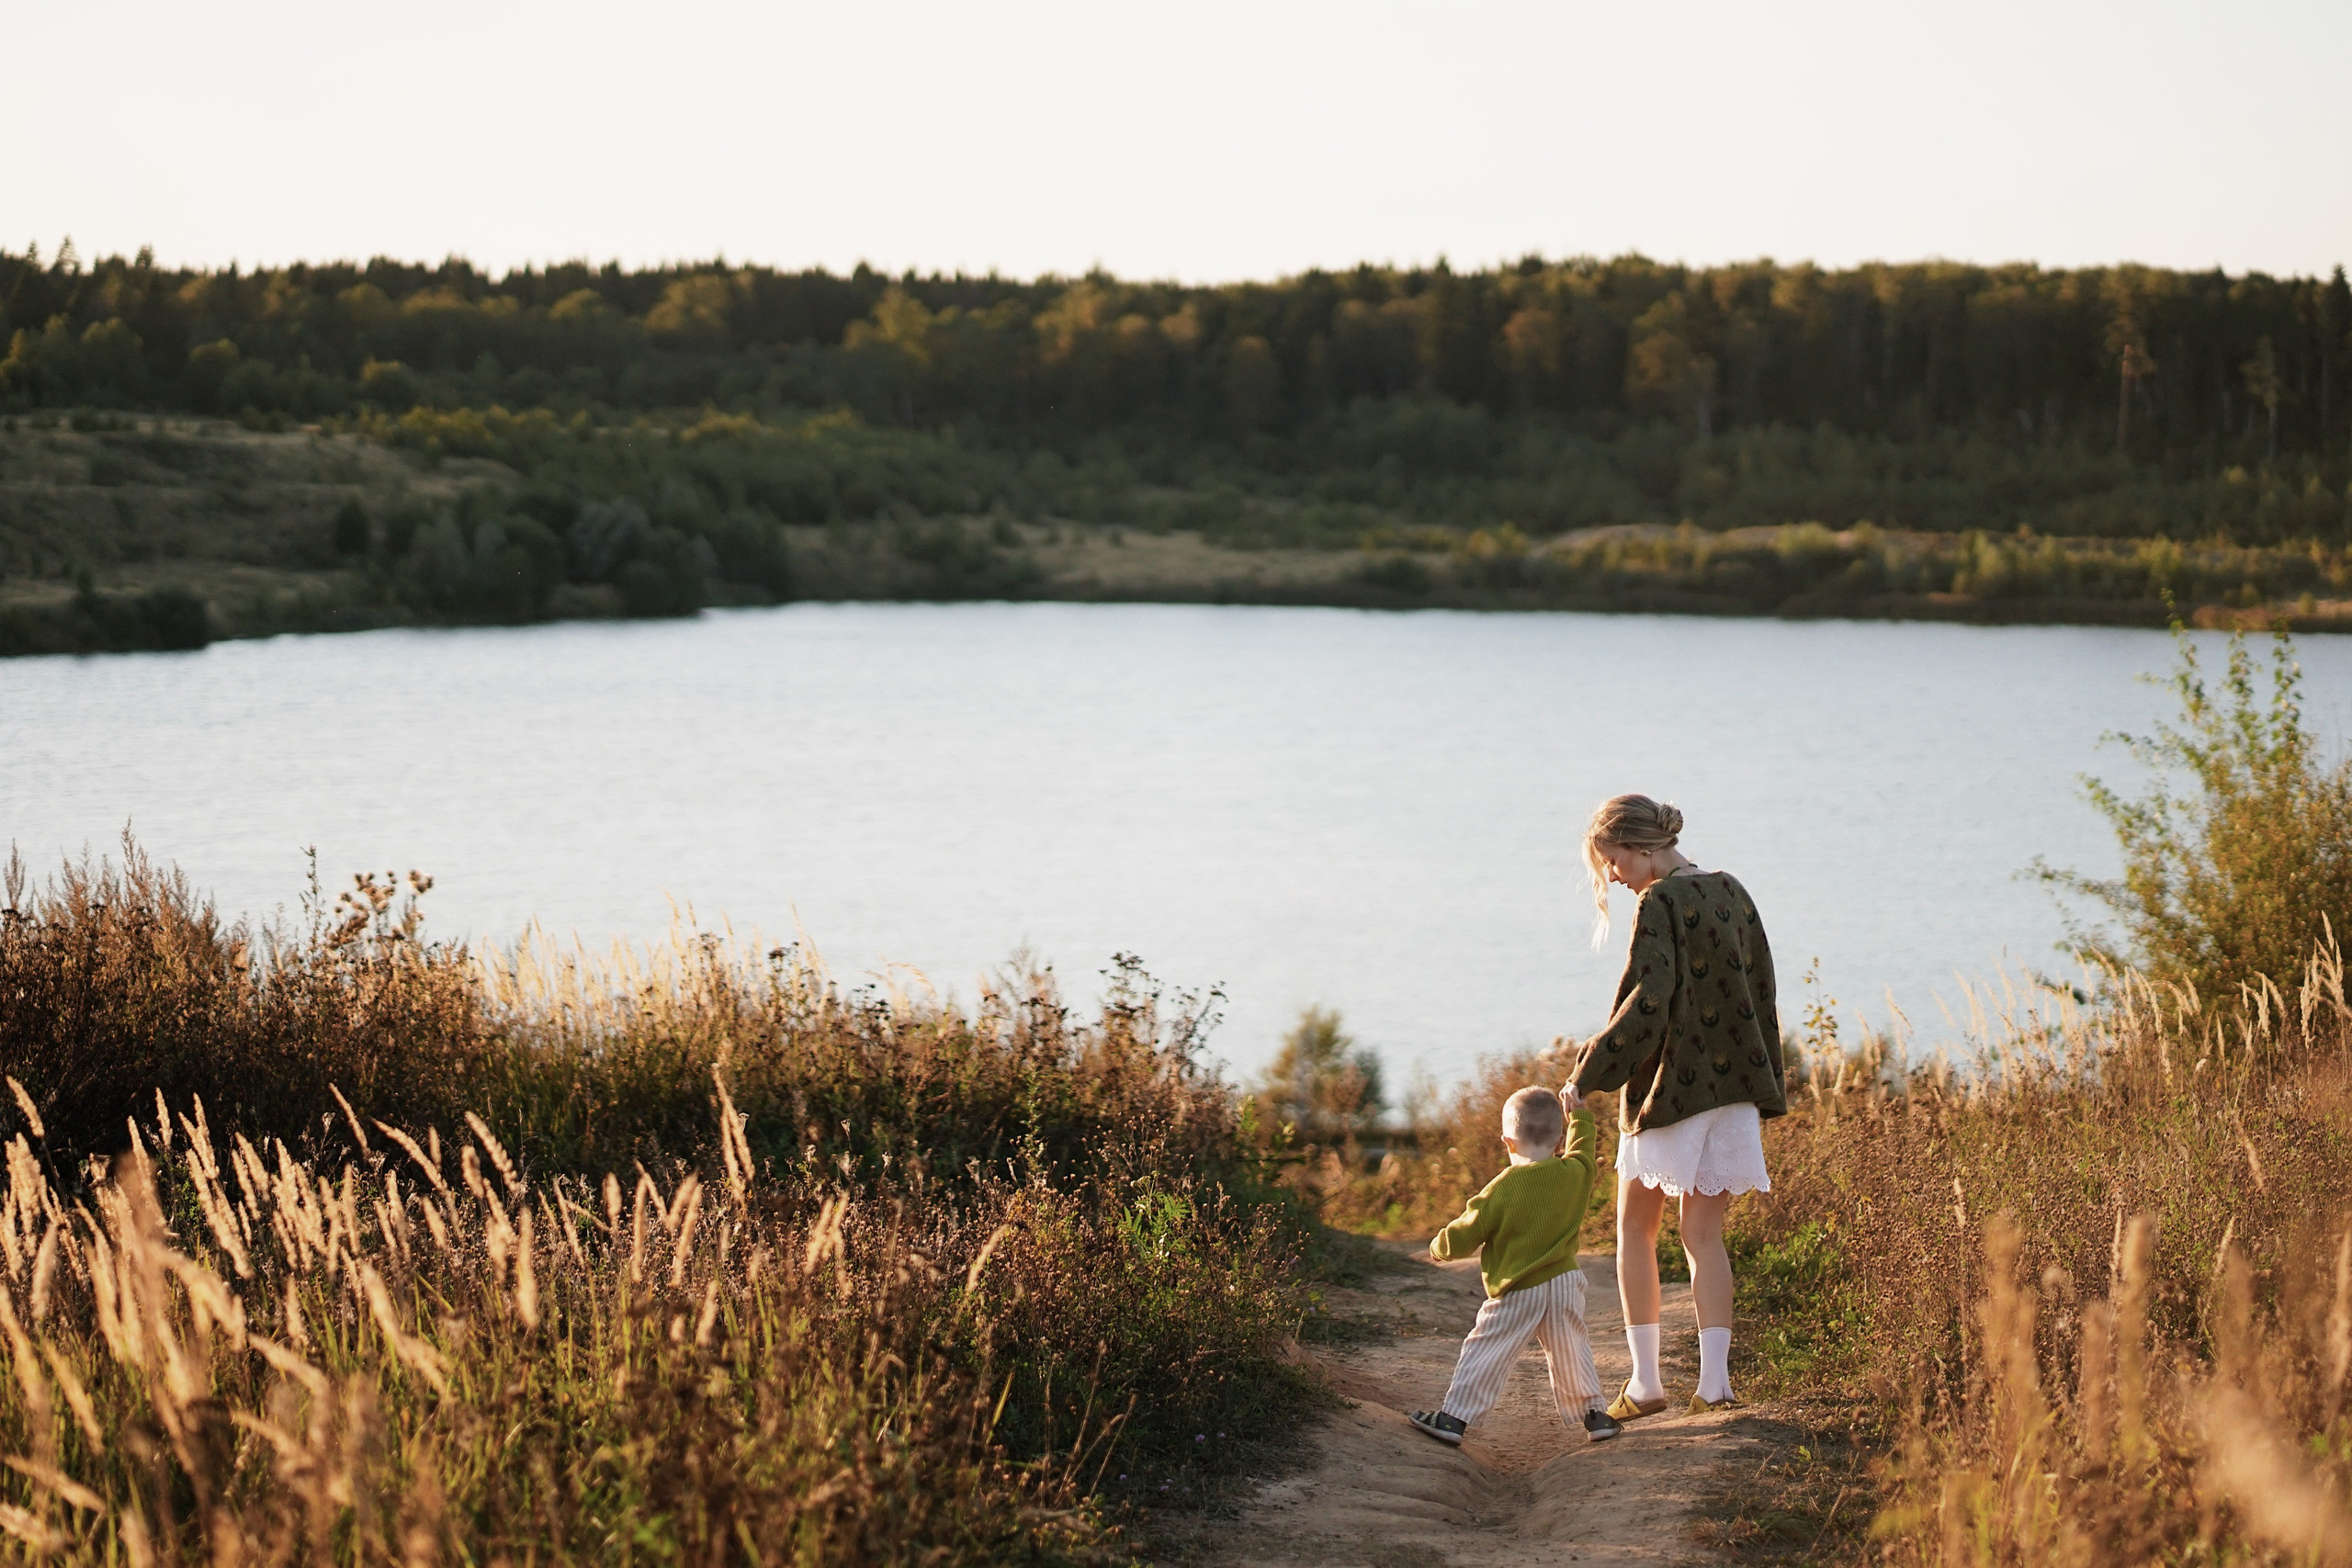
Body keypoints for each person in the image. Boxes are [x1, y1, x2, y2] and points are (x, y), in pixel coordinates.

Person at [1566, 794, 1785, 1418]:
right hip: (1736, 1091)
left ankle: (1645, 1384)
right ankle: (1715, 1386)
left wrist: (1588, 1074)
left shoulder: (1659, 903)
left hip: (1674, 1090)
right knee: (1703, 1233)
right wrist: (1765, 1085)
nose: (1612, 875)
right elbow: (1762, 987)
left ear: (1640, 848)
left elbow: (1647, 1003)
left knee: (1636, 1226)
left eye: (1612, 861)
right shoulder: (1732, 890)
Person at [1405, 1086, 1622, 1446]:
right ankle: (1595, 1416)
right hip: (1566, 1282)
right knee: (1571, 1348)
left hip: (1519, 1288)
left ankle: (1453, 1419)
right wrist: (1579, 1115)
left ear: (1507, 1142)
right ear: (1557, 1143)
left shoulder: (1503, 1188)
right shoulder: (1575, 1173)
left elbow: (1466, 1231)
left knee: (1486, 1349)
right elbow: (1583, 1148)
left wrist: (1439, 1246)